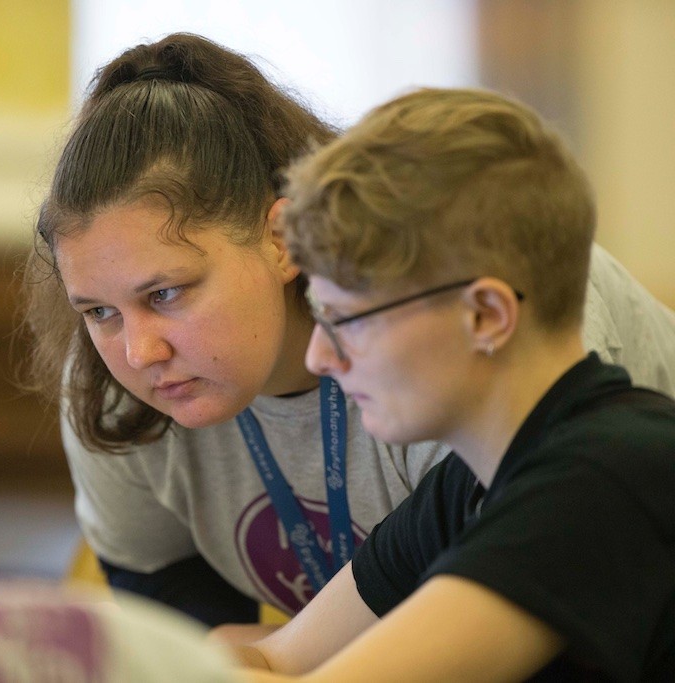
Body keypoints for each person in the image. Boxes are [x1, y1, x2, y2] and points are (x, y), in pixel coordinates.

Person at [0, 33, 675, 631]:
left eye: (169, 293)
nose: (137, 353)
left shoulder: (456, 340)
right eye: (98, 311)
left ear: (281, 232)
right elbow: (205, 656)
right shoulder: (112, 391)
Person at [232, 87, 674, 681]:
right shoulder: (466, 488)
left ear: (486, 315)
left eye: (346, 320)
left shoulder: (611, 471)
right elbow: (271, 656)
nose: (319, 355)